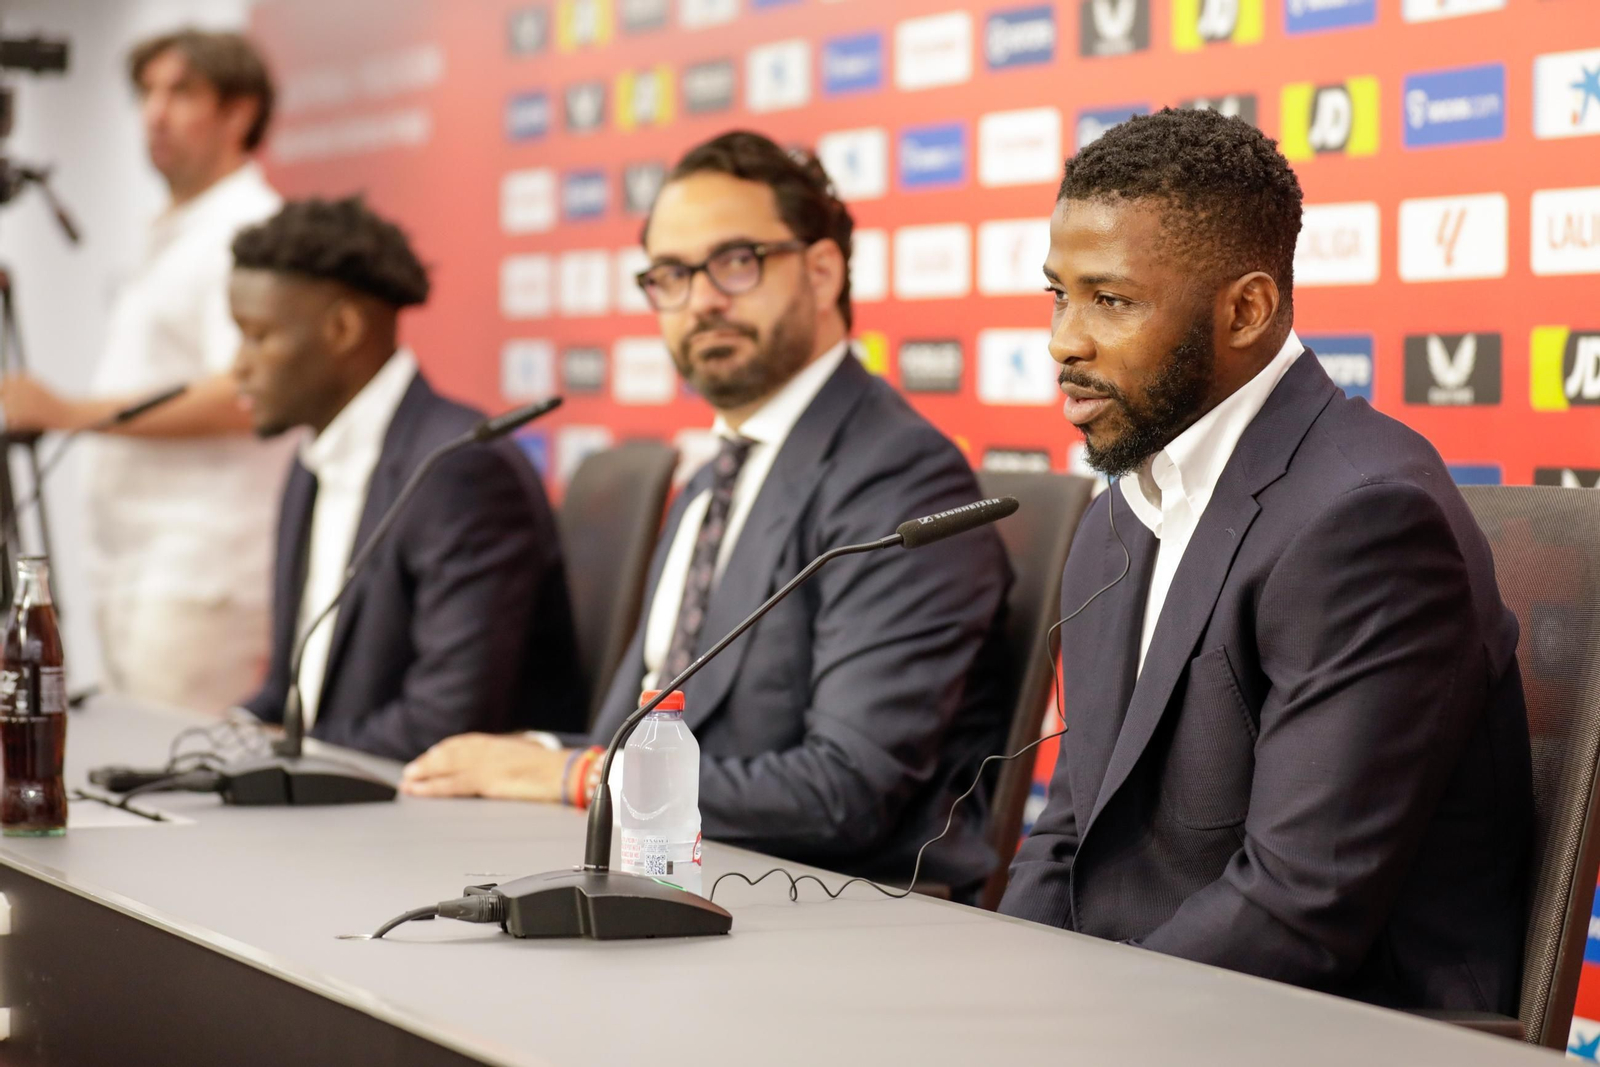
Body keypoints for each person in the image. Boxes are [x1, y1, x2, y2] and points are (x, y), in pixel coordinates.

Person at [999, 108, 1532, 1012]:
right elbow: (1071, 834)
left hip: (1337, 1030)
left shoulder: (1366, 520)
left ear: (1246, 308)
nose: (1064, 341)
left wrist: (1082, 1025)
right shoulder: (1121, 511)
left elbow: (1299, 907)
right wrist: (989, 997)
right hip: (1148, 1010)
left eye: (1111, 300)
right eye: (1060, 294)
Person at [402, 131, 1013, 895]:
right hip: (675, 875)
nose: (701, 301)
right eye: (670, 275)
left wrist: (574, 774)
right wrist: (518, 759)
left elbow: (842, 790)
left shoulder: (900, 477)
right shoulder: (715, 474)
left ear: (822, 272)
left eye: (735, 263)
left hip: (819, 904)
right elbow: (632, 734)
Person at [229, 196, 585, 760]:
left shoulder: (459, 469)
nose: (237, 366)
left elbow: (444, 724)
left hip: (434, 821)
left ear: (342, 328)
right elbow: (287, 689)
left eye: (258, 335)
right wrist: (229, 735)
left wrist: (286, 754)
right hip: (336, 794)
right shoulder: (311, 462)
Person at [0, 30, 294, 711]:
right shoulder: (174, 227)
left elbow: (249, 394)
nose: (155, 113)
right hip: (137, 567)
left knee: (182, 783)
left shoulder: (248, 229)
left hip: (199, 572)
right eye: (148, 93)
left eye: (181, 92)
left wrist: (70, 412)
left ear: (240, 112)